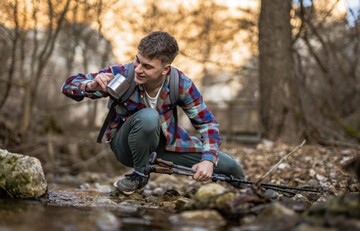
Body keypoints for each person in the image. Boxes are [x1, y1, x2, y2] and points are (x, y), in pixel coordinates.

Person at [61, 31, 245, 195]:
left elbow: (207, 124)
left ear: (165, 69)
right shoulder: (122, 74)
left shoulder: (181, 84)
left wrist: (207, 161)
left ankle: (253, 192)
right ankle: (139, 175)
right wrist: (90, 85)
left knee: (231, 166)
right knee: (149, 116)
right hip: (125, 146)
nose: (138, 70)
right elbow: (68, 86)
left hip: (164, 146)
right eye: (137, 60)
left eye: (147, 67)